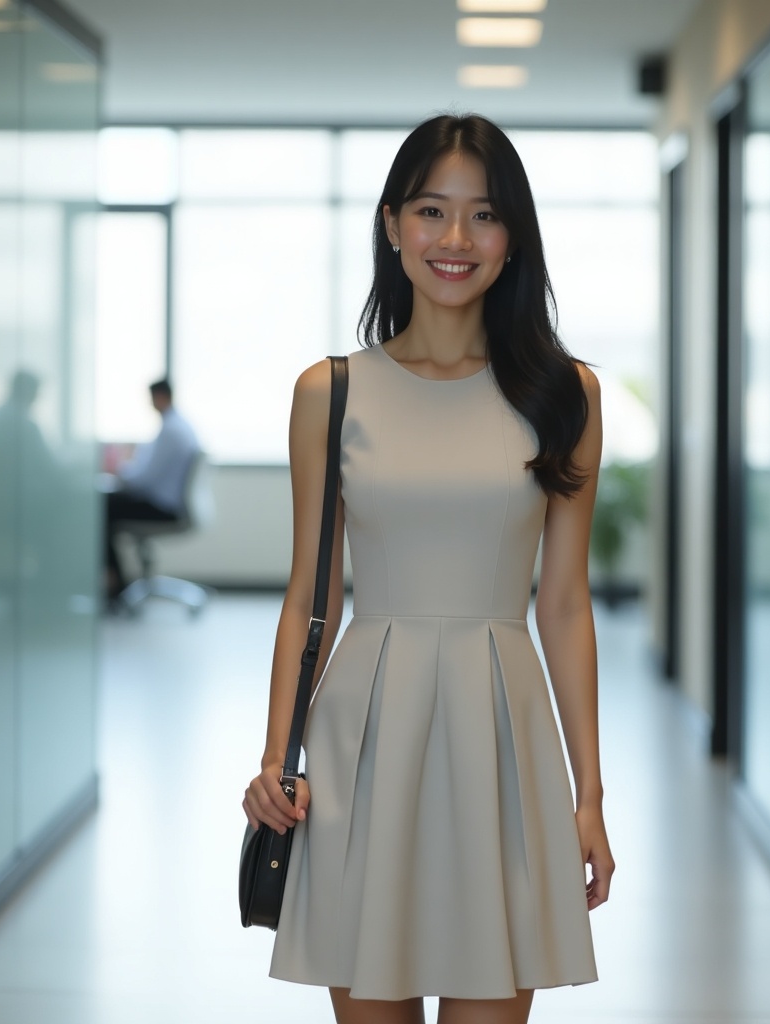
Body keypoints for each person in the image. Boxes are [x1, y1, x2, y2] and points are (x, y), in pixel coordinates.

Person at [243, 114, 614, 1024]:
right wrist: (271, 758)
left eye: (483, 216)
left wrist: (590, 794)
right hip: (361, 742)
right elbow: (310, 594)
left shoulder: (566, 395)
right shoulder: (328, 393)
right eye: (431, 211)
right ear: (391, 224)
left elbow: (564, 606)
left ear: (513, 234)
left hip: (504, 741)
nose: (455, 240)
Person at [104, 378, 199, 599]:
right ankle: (116, 583)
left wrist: (119, 469)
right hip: (169, 503)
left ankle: (116, 587)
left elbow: (142, 479)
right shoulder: (178, 425)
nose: (150, 404)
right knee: (109, 506)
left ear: (161, 397)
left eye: (151, 398)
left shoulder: (171, 430)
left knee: (103, 510)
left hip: (163, 507)